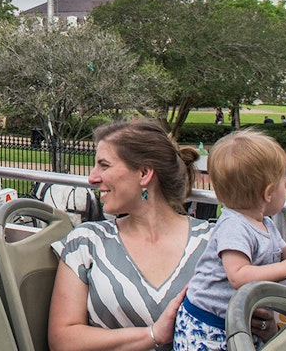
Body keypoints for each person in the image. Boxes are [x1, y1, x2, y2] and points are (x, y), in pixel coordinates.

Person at [48, 120, 212, 351]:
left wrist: (261, 323)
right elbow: (62, 341)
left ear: (144, 173)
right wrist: (153, 335)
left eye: (104, 165)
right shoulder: (86, 241)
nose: (92, 178)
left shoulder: (212, 242)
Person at [173, 130, 286, 351]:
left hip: (238, 321)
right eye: (285, 182)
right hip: (209, 328)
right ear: (269, 192)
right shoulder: (234, 227)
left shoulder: (263, 222)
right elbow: (239, 275)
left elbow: (274, 257)